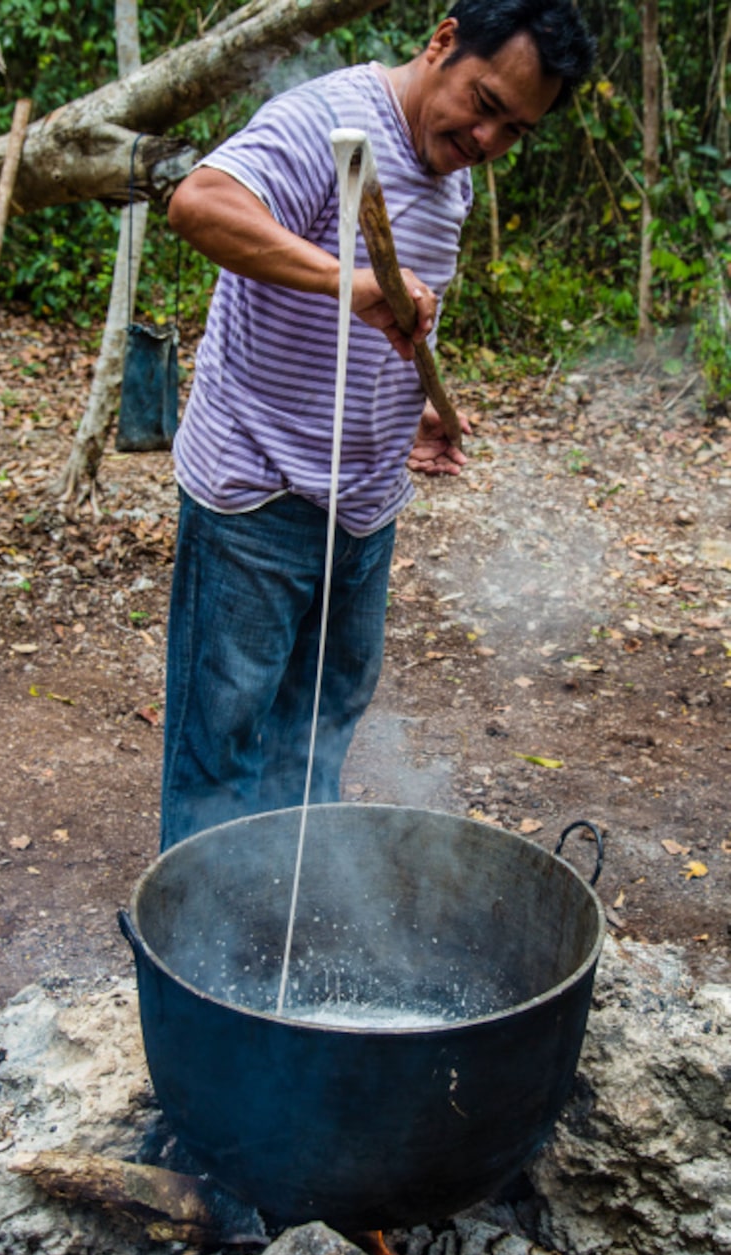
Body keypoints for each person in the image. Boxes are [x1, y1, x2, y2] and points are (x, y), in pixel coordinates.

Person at [160, 0, 595, 849]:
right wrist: (343, 277)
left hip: (363, 509)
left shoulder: (455, 178)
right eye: (485, 102)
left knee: (317, 734)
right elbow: (198, 204)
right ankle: (206, 959)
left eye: (516, 129)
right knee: (224, 748)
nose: (488, 139)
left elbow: (395, 326)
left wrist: (421, 404)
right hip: (259, 497)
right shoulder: (329, 121)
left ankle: (294, 914)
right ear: (441, 42)